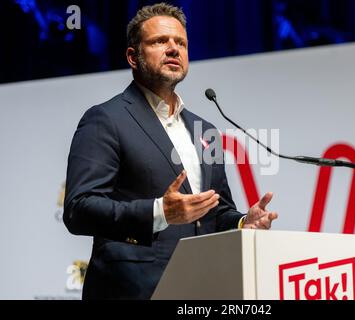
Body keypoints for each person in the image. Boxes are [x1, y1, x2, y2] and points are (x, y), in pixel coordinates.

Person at [63, 2, 278, 300]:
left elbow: (216, 210)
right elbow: (79, 210)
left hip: (201, 290)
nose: (173, 49)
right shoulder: (106, 119)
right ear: (132, 57)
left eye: (181, 43)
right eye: (159, 41)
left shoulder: (206, 130)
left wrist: (243, 222)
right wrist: (159, 212)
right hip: (132, 290)